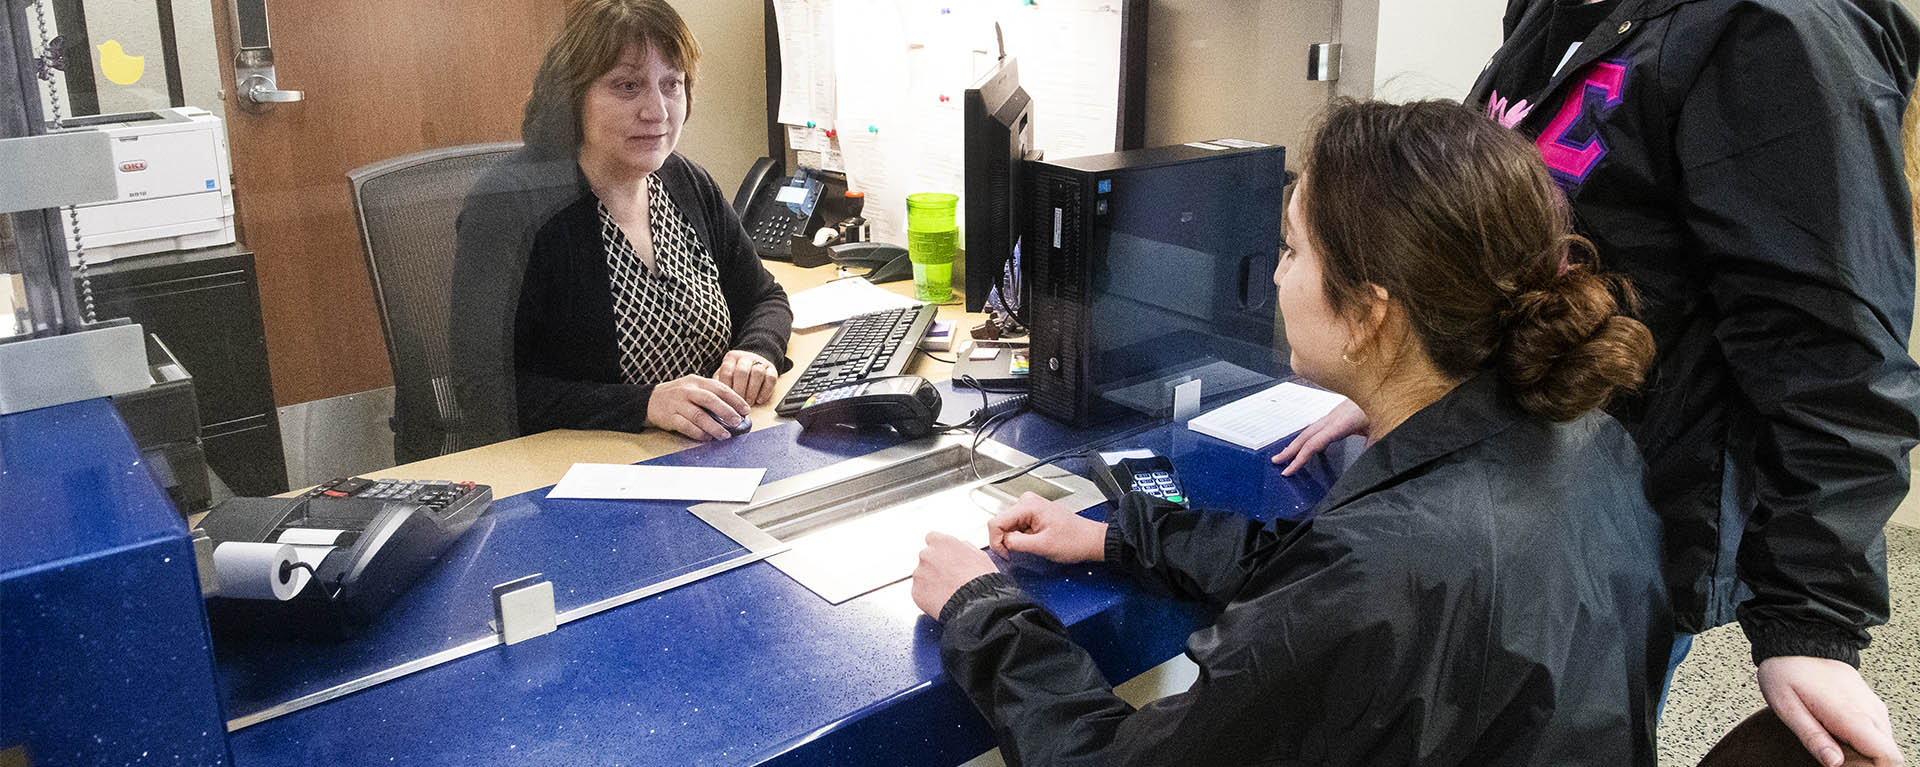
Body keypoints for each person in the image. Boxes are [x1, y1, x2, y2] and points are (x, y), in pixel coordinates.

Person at [912, 100, 1671, 764]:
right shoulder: (1588, 439)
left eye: (1293, 250)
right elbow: (1320, 578)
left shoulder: (1377, 572)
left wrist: (983, 609)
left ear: (1372, 314)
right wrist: (1116, 537)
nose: (1275, 276)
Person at [1282, 3, 1918, 763]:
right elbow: (1494, 243)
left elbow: (1830, 341)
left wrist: (1813, 618)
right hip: (1498, 482)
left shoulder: (1775, 29)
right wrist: (1404, 383)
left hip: (1614, 524)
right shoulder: (1556, 11)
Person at [450, 0, 792, 445]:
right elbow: (484, 390)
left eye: (671, 84)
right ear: (572, 98)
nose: (658, 111)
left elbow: (765, 297)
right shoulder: (510, 207)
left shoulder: (686, 182)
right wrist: (645, 404)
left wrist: (756, 350)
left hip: (704, 453)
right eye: (627, 86)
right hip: (574, 473)